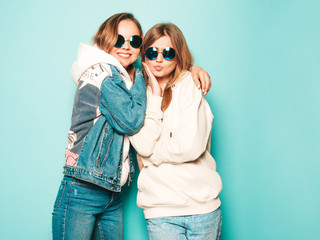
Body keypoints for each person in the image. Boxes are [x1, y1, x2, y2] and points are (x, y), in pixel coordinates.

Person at [52, 13, 212, 240]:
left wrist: (191, 68)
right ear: (105, 40)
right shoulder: (106, 76)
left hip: (112, 191)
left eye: (134, 41)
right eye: (118, 40)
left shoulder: (130, 75)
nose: (126, 47)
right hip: (83, 186)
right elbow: (132, 121)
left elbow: (158, 63)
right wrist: (156, 94)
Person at [129, 23, 223, 240]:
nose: (159, 59)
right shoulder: (136, 95)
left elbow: (190, 147)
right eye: (152, 52)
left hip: (203, 210)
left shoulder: (191, 84)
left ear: (178, 55)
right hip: (161, 211)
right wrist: (154, 94)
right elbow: (142, 145)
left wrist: (150, 156)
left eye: (168, 53)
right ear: (143, 55)